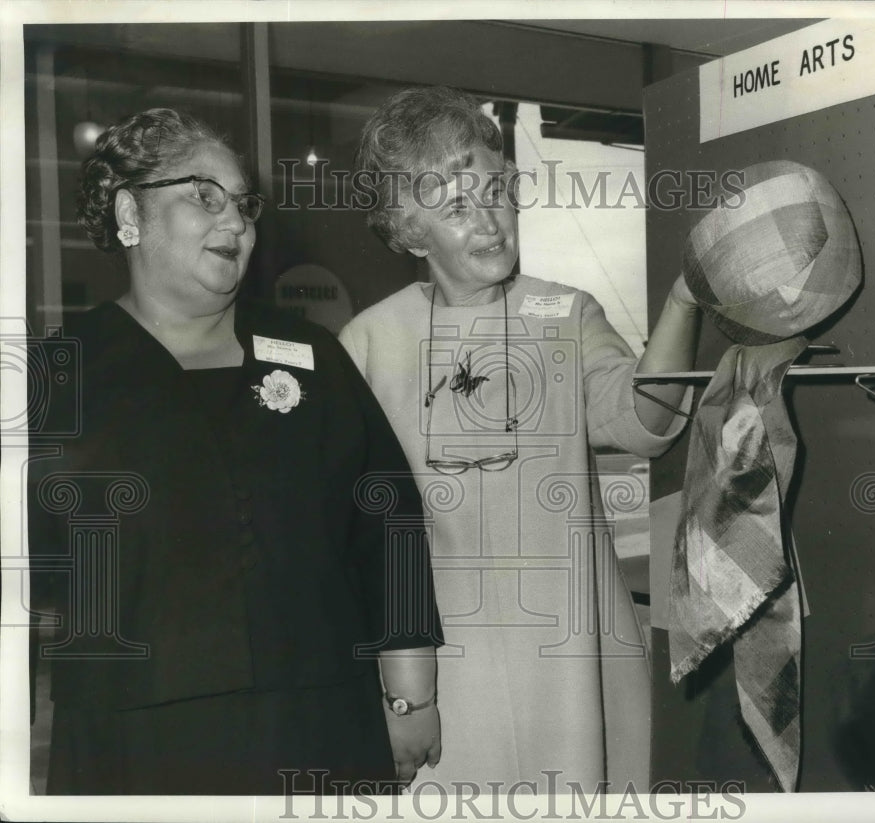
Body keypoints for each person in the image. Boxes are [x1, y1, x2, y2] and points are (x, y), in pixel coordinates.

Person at [28, 108, 442, 795]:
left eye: (244, 204)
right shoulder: (58, 376)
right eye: (203, 195)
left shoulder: (313, 358)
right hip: (136, 736)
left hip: (318, 723)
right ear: (131, 212)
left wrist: (410, 698)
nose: (236, 222)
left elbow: (387, 526)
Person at [339, 86, 701, 794]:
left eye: (495, 191)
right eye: (456, 207)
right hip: (441, 669)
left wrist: (684, 300)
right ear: (411, 234)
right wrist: (399, 695)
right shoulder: (368, 343)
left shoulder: (563, 311)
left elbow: (644, 423)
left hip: (574, 658)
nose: (489, 222)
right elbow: (357, 539)